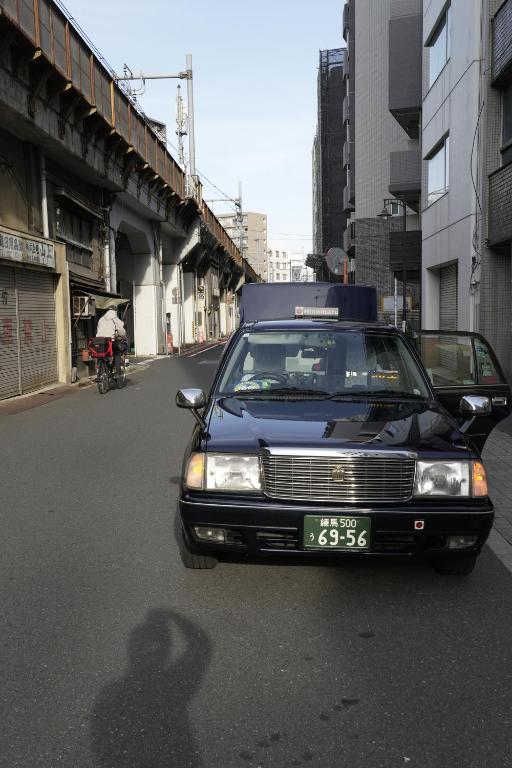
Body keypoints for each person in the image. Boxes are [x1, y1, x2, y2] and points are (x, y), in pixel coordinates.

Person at [96, 306, 127, 373]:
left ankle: (101, 369)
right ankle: (117, 368)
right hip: (110, 341)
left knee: (103, 353)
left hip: (99, 341)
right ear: (115, 311)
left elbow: (98, 329)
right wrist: (123, 336)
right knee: (117, 352)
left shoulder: (101, 319)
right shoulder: (115, 319)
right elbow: (122, 331)